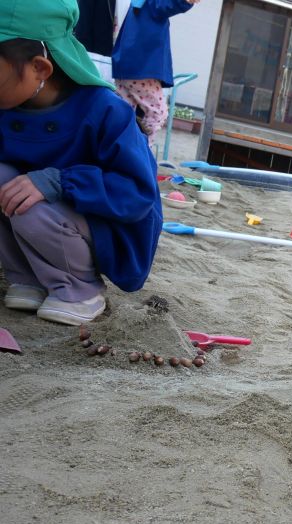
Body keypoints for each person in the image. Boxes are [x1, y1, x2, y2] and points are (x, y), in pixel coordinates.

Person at [0, 0, 162, 325]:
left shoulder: (105, 111)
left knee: (30, 209)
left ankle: (79, 289)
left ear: (40, 68)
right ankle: (27, 277)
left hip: (104, 225)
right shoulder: (9, 104)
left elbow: (137, 193)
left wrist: (59, 182)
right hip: (50, 220)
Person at [112, 0, 199, 149]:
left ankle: (119, 151)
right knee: (158, 112)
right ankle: (140, 152)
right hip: (141, 68)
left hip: (126, 64)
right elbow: (162, 6)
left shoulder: (138, 3)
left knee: (124, 115)